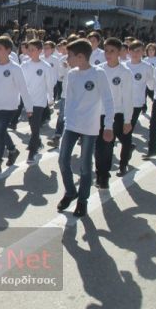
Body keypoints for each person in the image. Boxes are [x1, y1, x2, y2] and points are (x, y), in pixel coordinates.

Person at [58, 39, 114, 218]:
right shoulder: (72, 74)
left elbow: (108, 100)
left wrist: (109, 126)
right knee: (62, 160)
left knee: (84, 166)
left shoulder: (98, 74)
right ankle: (70, 192)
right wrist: (66, 120)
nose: (68, 58)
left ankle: (82, 200)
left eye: (70, 55)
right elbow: (68, 99)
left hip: (90, 126)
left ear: (81, 57)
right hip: (72, 124)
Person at [0, 36, 33, 176]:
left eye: (0, 48)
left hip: (10, 106)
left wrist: (29, 108)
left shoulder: (15, 68)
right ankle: (13, 150)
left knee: (0, 131)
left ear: (8, 50)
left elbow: (23, 88)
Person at [95, 37, 134, 185]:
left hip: (116, 114)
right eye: (106, 51)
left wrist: (127, 120)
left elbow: (128, 97)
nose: (108, 54)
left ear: (119, 52)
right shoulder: (99, 69)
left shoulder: (125, 72)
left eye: (112, 51)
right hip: (99, 114)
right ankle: (100, 173)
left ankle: (104, 176)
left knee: (108, 145)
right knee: (99, 147)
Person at [21, 39, 55, 163]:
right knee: (32, 125)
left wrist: (50, 99)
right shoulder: (25, 65)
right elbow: (21, 83)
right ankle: (38, 142)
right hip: (28, 101)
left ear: (40, 51)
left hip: (40, 101)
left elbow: (50, 84)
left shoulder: (45, 66)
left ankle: (32, 151)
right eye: (29, 49)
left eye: (33, 50)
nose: (30, 52)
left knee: (35, 126)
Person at [126, 40, 154, 134]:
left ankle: (127, 146)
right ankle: (128, 145)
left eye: (138, 51)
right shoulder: (123, 65)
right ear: (129, 51)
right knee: (120, 128)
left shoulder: (147, 67)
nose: (135, 53)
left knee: (129, 127)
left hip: (137, 102)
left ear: (143, 52)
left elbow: (151, 85)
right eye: (133, 50)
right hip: (122, 102)